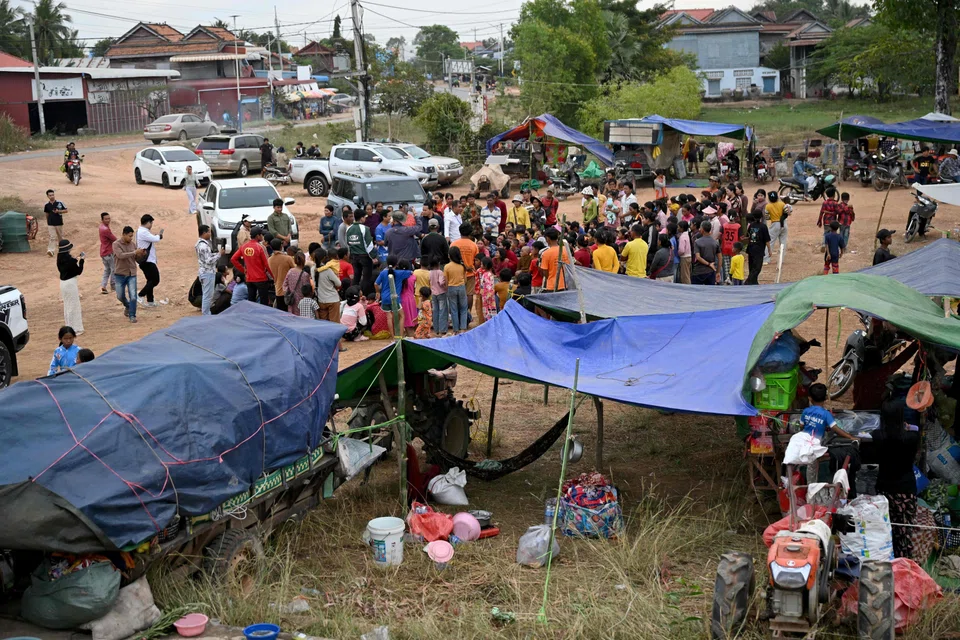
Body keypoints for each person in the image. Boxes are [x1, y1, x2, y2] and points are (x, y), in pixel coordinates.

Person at [231, 226, 273, 304]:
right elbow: (267, 264)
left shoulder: (244, 246)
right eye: (261, 235)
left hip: (249, 279)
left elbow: (233, 259)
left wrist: (244, 270)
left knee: (251, 302)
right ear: (258, 236)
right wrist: (273, 277)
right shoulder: (260, 247)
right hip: (261, 279)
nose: (262, 237)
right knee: (264, 302)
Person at [375, 256, 413, 337]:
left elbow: (376, 284)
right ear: (397, 264)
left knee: (389, 317)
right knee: (402, 316)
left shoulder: (383, 273)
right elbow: (411, 272)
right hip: (395, 298)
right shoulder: (400, 273)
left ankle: (392, 337)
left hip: (384, 298)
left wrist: (377, 292)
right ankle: (400, 335)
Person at [346, 208, 379, 297]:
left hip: (354, 256)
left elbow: (348, 243)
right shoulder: (365, 228)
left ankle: (353, 294)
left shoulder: (349, 228)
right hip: (364, 256)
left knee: (356, 277)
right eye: (364, 217)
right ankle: (363, 295)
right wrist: (374, 256)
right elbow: (368, 245)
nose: (365, 219)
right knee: (366, 278)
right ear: (361, 218)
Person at [56, 240, 85, 334]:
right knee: (74, 305)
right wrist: (82, 260)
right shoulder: (70, 260)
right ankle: (76, 328)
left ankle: (69, 326)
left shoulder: (59, 258)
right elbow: (78, 271)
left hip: (63, 284)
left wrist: (76, 259)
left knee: (67, 305)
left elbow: (69, 265)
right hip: (71, 284)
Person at [451, 222, 478, 319]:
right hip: (470, 273)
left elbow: (451, 258)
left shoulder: (454, 244)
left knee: (457, 295)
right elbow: (477, 260)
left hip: (456, 274)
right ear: (470, 232)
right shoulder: (474, 245)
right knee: (469, 294)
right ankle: (468, 314)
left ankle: (458, 315)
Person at [112, 226, 139, 323]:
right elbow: (120, 255)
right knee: (120, 296)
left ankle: (132, 315)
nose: (131, 238)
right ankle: (128, 306)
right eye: (129, 236)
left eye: (132, 236)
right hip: (120, 274)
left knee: (133, 296)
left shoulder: (133, 244)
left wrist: (141, 254)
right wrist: (134, 252)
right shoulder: (116, 244)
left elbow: (135, 258)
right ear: (123, 234)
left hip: (132, 273)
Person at [136, 214, 164, 307]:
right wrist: (159, 236)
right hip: (148, 261)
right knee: (155, 280)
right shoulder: (143, 232)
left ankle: (150, 301)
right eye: (151, 223)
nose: (151, 225)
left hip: (146, 260)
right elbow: (155, 239)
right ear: (148, 222)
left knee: (150, 280)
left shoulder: (142, 231)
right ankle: (140, 295)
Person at [196, 225, 223, 315]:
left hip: (204, 272)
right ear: (204, 233)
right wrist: (219, 255)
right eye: (208, 232)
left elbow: (207, 257)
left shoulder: (200, 244)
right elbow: (209, 261)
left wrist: (216, 254)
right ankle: (206, 314)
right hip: (207, 272)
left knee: (206, 295)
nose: (209, 234)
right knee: (208, 296)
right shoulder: (204, 246)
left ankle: (206, 312)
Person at [313, 248, 343, 326]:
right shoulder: (328, 270)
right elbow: (339, 283)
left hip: (321, 300)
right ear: (324, 257)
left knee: (324, 325)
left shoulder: (313, 269)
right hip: (332, 299)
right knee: (335, 324)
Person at [444, 246, 468, 334]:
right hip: (461, 287)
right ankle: (463, 328)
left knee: (453, 309)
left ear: (449, 256)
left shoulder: (447, 267)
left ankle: (456, 329)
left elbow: (446, 281)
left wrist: (447, 290)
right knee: (463, 308)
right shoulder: (462, 266)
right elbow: (465, 280)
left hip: (451, 288)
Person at [268, 240, 296, 311]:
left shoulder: (269, 260)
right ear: (281, 247)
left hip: (278, 291)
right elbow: (296, 270)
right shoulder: (288, 258)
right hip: (289, 291)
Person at [744, 214, 771, 285]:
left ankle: (754, 282)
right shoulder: (763, 226)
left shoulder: (751, 225)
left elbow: (748, 236)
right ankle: (748, 281)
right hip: (759, 250)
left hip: (751, 249)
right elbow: (767, 240)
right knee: (757, 268)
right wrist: (769, 250)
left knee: (751, 266)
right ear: (761, 217)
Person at [692, 221, 719, 285]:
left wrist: (708, 264)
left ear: (703, 230)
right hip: (711, 272)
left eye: (700, 228)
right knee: (710, 292)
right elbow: (720, 258)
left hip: (698, 272)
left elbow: (698, 257)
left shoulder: (697, 242)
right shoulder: (715, 242)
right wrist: (717, 271)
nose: (699, 229)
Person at [44, 189, 68, 257]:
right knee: (52, 237)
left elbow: (66, 210)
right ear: (47, 196)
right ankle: (51, 250)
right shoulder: (46, 205)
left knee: (60, 237)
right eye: (50, 195)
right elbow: (46, 214)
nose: (52, 196)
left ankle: (62, 250)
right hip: (50, 223)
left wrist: (59, 211)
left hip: (59, 222)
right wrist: (48, 221)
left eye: (53, 195)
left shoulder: (60, 203)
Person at [764, 191, 787, 262]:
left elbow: (767, 217)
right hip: (784, 223)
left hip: (775, 224)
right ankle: (781, 260)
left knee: (770, 242)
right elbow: (786, 212)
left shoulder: (768, 206)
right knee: (783, 242)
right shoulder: (782, 204)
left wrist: (772, 217)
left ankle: (766, 259)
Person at [98, 212, 117, 295]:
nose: (108, 220)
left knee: (107, 270)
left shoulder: (101, 227)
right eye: (106, 219)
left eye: (109, 218)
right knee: (113, 269)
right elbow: (114, 239)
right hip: (108, 252)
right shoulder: (105, 229)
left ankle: (103, 286)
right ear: (102, 220)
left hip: (103, 252)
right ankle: (113, 286)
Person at [428, 258, 448, 335]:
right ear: (438, 264)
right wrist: (445, 285)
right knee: (442, 311)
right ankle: (442, 329)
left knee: (435, 311)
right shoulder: (440, 272)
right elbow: (441, 282)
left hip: (433, 293)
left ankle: (436, 329)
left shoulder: (429, 272)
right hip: (441, 293)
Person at [476, 257, 497, 322]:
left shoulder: (487, 274)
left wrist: (486, 297)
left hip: (487, 297)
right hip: (487, 296)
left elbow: (489, 287)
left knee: (488, 312)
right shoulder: (489, 274)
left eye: (482, 264)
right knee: (489, 312)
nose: (481, 265)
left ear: (486, 265)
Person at [676, 220, 692, 284]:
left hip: (684, 257)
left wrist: (678, 253)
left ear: (682, 228)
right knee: (687, 274)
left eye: (679, 227)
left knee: (685, 276)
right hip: (688, 256)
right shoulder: (687, 235)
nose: (678, 228)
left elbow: (682, 250)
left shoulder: (682, 237)